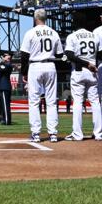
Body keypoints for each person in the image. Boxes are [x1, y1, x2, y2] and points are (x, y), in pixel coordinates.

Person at [20, 9, 62, 143]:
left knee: (34, 101)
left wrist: (23, 72)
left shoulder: (30, 32)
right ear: (45, 18)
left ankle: (36, 133)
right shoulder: (54, 33)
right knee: (51, 101)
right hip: (50, 65)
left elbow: (24, 55)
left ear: (35, 18)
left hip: (35, 66)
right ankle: (53, 134)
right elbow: (60, 54)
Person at [64, 20, 102, 141]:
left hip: (79, 71)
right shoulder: (94, 36)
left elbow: (69, 55)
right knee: (95, 102)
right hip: (93, 70)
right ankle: (99, 134)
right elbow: (100, 54)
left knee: (78, 102)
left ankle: (77, 134)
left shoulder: (72, 36)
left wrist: (86, 63)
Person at [0, 53, 14, 125]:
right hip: (5, 86)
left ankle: (6, 120)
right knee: (5, 104)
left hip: (4, 86)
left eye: (5, 56)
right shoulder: (5, 65)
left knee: (5, 105)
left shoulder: (6, 65)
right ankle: (6, 119)